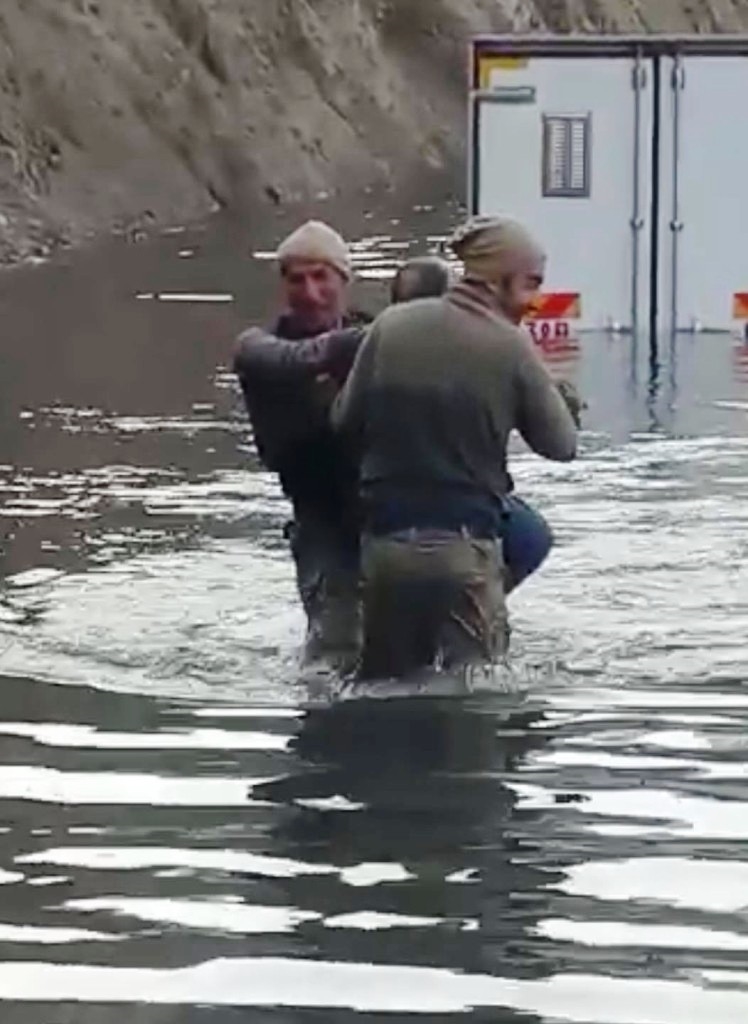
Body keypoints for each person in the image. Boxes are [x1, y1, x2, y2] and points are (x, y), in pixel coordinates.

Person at [331, 216, 579, 680]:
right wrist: (554, 394)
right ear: (499, 278)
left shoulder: (390, 327)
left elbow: (344, 421)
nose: (534, 302)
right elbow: (561, 446)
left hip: (387, 551)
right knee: (475, 696)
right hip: (466, 552)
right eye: (530, 285)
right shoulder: (511, 346)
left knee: (383, 689)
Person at [233, 220, 367, 669]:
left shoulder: (380, 333)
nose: (310, 292)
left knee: (527, 535)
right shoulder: (262, 350)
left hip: (392, 512)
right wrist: (369, 346)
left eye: (321, 276)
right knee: (333, 657)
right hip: (322, 518)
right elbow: (302, 360)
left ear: (344, 281)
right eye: (297, 279)